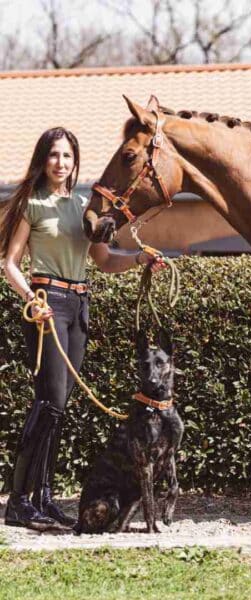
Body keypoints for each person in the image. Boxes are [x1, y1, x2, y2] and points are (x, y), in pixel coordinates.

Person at [0, 127, 165, 530]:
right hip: (48, 302)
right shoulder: (32, 205)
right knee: (48, 402)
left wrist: (139, 258)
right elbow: (9, 265)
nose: (61, 163)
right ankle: (19, 501)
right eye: (55, 155)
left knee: (58, 409)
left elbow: (105, 261)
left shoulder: (81, 206)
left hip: (79, 305)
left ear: (76, 162)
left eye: (68, 156)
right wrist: (31, 299)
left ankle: (44, 497)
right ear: (44, 159)